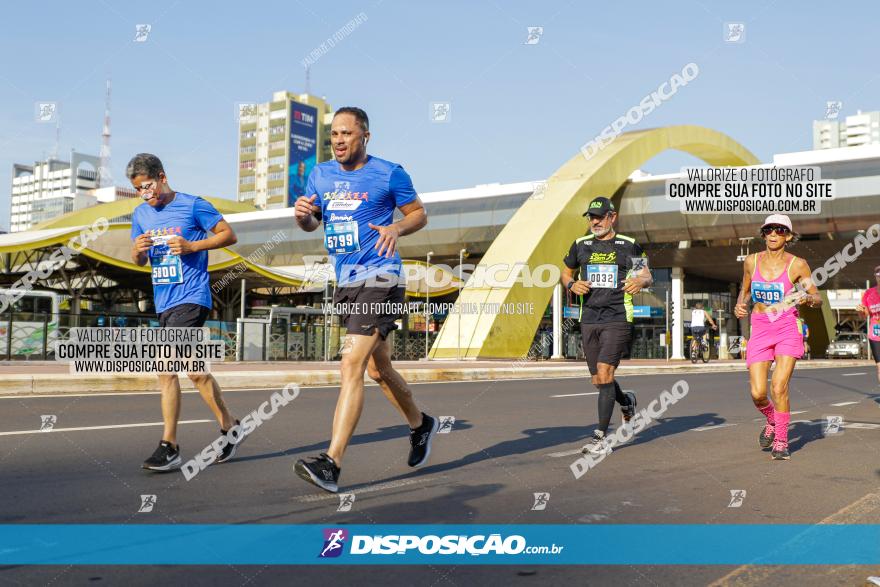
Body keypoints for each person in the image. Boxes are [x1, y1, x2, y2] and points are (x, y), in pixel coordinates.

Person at [292, 107, 437, 493]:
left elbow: (419, 213)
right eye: (333, 135)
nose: (338, 140)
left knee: (351, 363)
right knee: (378, 370)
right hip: (347, 281)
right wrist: (303, 215)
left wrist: (396, 227)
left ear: (365, 136)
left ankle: (332, 463)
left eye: (346, 133)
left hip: (383, 277)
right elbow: (312, 222)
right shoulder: (320, 175)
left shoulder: (389, 172)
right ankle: (421, 424)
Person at [128, 153, 242, 471]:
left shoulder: (193, 205)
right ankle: (230, 426)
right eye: (138, 189)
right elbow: (139, 261)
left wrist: (193, 246)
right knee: (195, 371)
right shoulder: (140, 214)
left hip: (192, 298)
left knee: (165, 367)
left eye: (148, 186)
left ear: (162, 176)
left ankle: (170, 446)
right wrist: (137, 252)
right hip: (163, 301)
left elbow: (228, 235)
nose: (145, 194)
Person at [561, 196, 652, 456]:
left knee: (604, 373)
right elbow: (566, 272)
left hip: (618, 316)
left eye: (599, 216)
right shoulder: (580, 245)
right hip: (589, 317)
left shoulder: (628, 245)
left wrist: (640, 282)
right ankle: (626, 402)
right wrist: (571, 284)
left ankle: (600, 437)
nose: (594, 221)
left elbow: (645, 274)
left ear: (613, 217)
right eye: (591, 217)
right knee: (598, 381)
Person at [734, 214, 821, 460]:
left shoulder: (798, 264)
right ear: (763, 234)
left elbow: (817, 297)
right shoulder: (751, 261)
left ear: (788, 236)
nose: (773, 234)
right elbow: (746, 290)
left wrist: (808, 298)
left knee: (778, 386)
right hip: (760, 326)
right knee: (758, 393)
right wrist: (740, 305)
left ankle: (782, 441)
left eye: (780, 230)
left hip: (786, 326)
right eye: (769, 230)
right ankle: (772, 419)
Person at [856, 264, 880, 386]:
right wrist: (861, 311)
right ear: (875, 277)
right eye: (878, 275)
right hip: (875, 335)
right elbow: (864, 315)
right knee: (879, 367)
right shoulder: (869, 293)